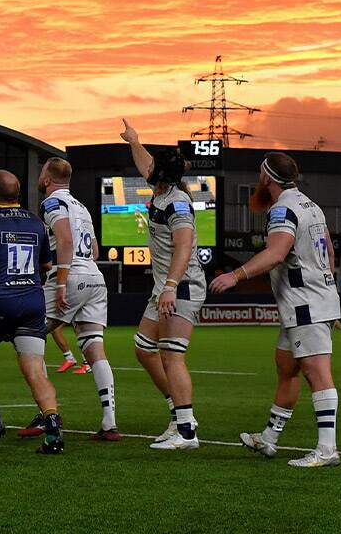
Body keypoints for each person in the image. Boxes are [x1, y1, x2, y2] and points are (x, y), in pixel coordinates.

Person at [213, 153, 341, 468]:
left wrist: (235, 275)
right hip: (310, 300)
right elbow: (328, 247)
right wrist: (328, 288)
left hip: (304, 303)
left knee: (316, 372)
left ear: (268, 179)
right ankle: (269, 437)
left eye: (261, 175)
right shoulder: (310, 204)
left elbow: (276, 253)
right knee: (286, 367)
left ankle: (327, 449)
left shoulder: (283, 209)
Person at [0, 170, 63, 454]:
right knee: (35, 371)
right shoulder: (37, 222)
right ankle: (52, 425)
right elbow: (46, 266)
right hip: (31, 304)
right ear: (17, 195)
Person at [122, 119, 205, 450]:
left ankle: (187, 432)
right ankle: (178, 415)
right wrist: (133, 140)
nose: (149, 166)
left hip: (181, 286)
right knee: (144, 349)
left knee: (172, 356)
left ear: (161, 174)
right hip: (165, 288)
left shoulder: (177, 203)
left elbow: (184, 247)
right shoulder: (161, 186)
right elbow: (144, 161)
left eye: (154, 164)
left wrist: (170, 285)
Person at [34, 156, 119, 440]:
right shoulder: (81, 206)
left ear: (47, 179)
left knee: (28, 337)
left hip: (70, 276)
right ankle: (109, 422)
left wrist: (60, 284)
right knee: (94, 348)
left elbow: (66, 240)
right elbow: (94, 249)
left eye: (41, 172)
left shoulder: (51, 202)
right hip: (95, 277)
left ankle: (46, 412)